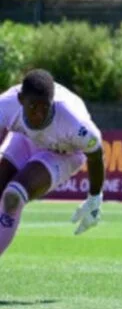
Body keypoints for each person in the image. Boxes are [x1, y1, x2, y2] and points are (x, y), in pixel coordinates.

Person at [0, 69, 105, 257]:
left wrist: (94, 198)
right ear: (21, 100)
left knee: (13, 196)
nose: (39, 114)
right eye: (33, 107)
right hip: (26, 140)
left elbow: (95, 155)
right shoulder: (6, 105)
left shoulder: (75, 123)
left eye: (45, 107)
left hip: (63, 153)